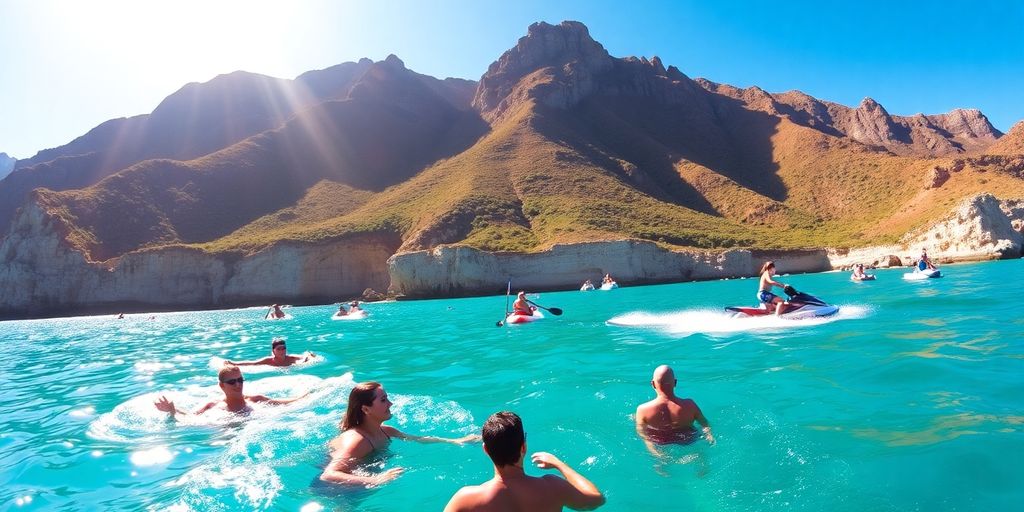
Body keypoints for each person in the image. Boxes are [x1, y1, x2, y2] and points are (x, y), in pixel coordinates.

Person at [321, 382, 480, 486]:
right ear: (365, 409)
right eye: (383, 400)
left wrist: (456, 441)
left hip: (358, 478)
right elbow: (328, 475)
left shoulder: (387, 431)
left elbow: (418, 439)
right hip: (335, 489)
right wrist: (375, 479)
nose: (390, 404)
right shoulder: (356, 440)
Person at [443, 411, 605, 512]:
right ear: (524, 447)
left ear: (485, 450)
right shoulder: (552, 487)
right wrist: (559, 464)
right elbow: (596, 500)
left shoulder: (467, 499)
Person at [153, 364, 308, 419]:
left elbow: (289, 403)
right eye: (232, 381)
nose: (238, 384)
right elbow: (190, 417)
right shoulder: (213, 406)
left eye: (240, 380)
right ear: (222, 386)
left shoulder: (256, 400)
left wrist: (308, 393)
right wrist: (172, 411)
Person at [635, 365, 714, 459]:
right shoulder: (690, 405)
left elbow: (643, 435)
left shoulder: (643, 410)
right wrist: (709, 436)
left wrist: (655, 452)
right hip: (688, 440)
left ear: (653, 384)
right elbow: (705, 424)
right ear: (675, 382)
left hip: (661, 442)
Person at [226, 338, 316, 367]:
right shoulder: (269, 361)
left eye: (284, 348)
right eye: (279, 349)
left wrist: (309, 356)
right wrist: (234, 363)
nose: (282, 351)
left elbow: (305, 355)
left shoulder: (291, 358)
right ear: (273, 351)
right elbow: (252, 363)